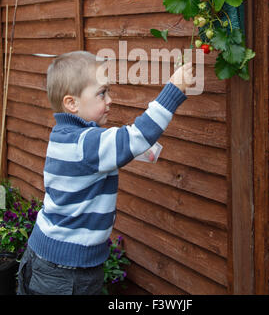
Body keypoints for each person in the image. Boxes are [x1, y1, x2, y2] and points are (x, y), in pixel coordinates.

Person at [17, 50, 195, 295]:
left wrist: (136, 151)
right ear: (72, 103)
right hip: (68, 273)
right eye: (102, 93)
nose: (109, 99)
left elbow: (95, 158)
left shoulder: (63, 135)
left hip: (45, 256)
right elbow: (137, 136)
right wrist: (174, 90)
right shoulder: (86, 143)